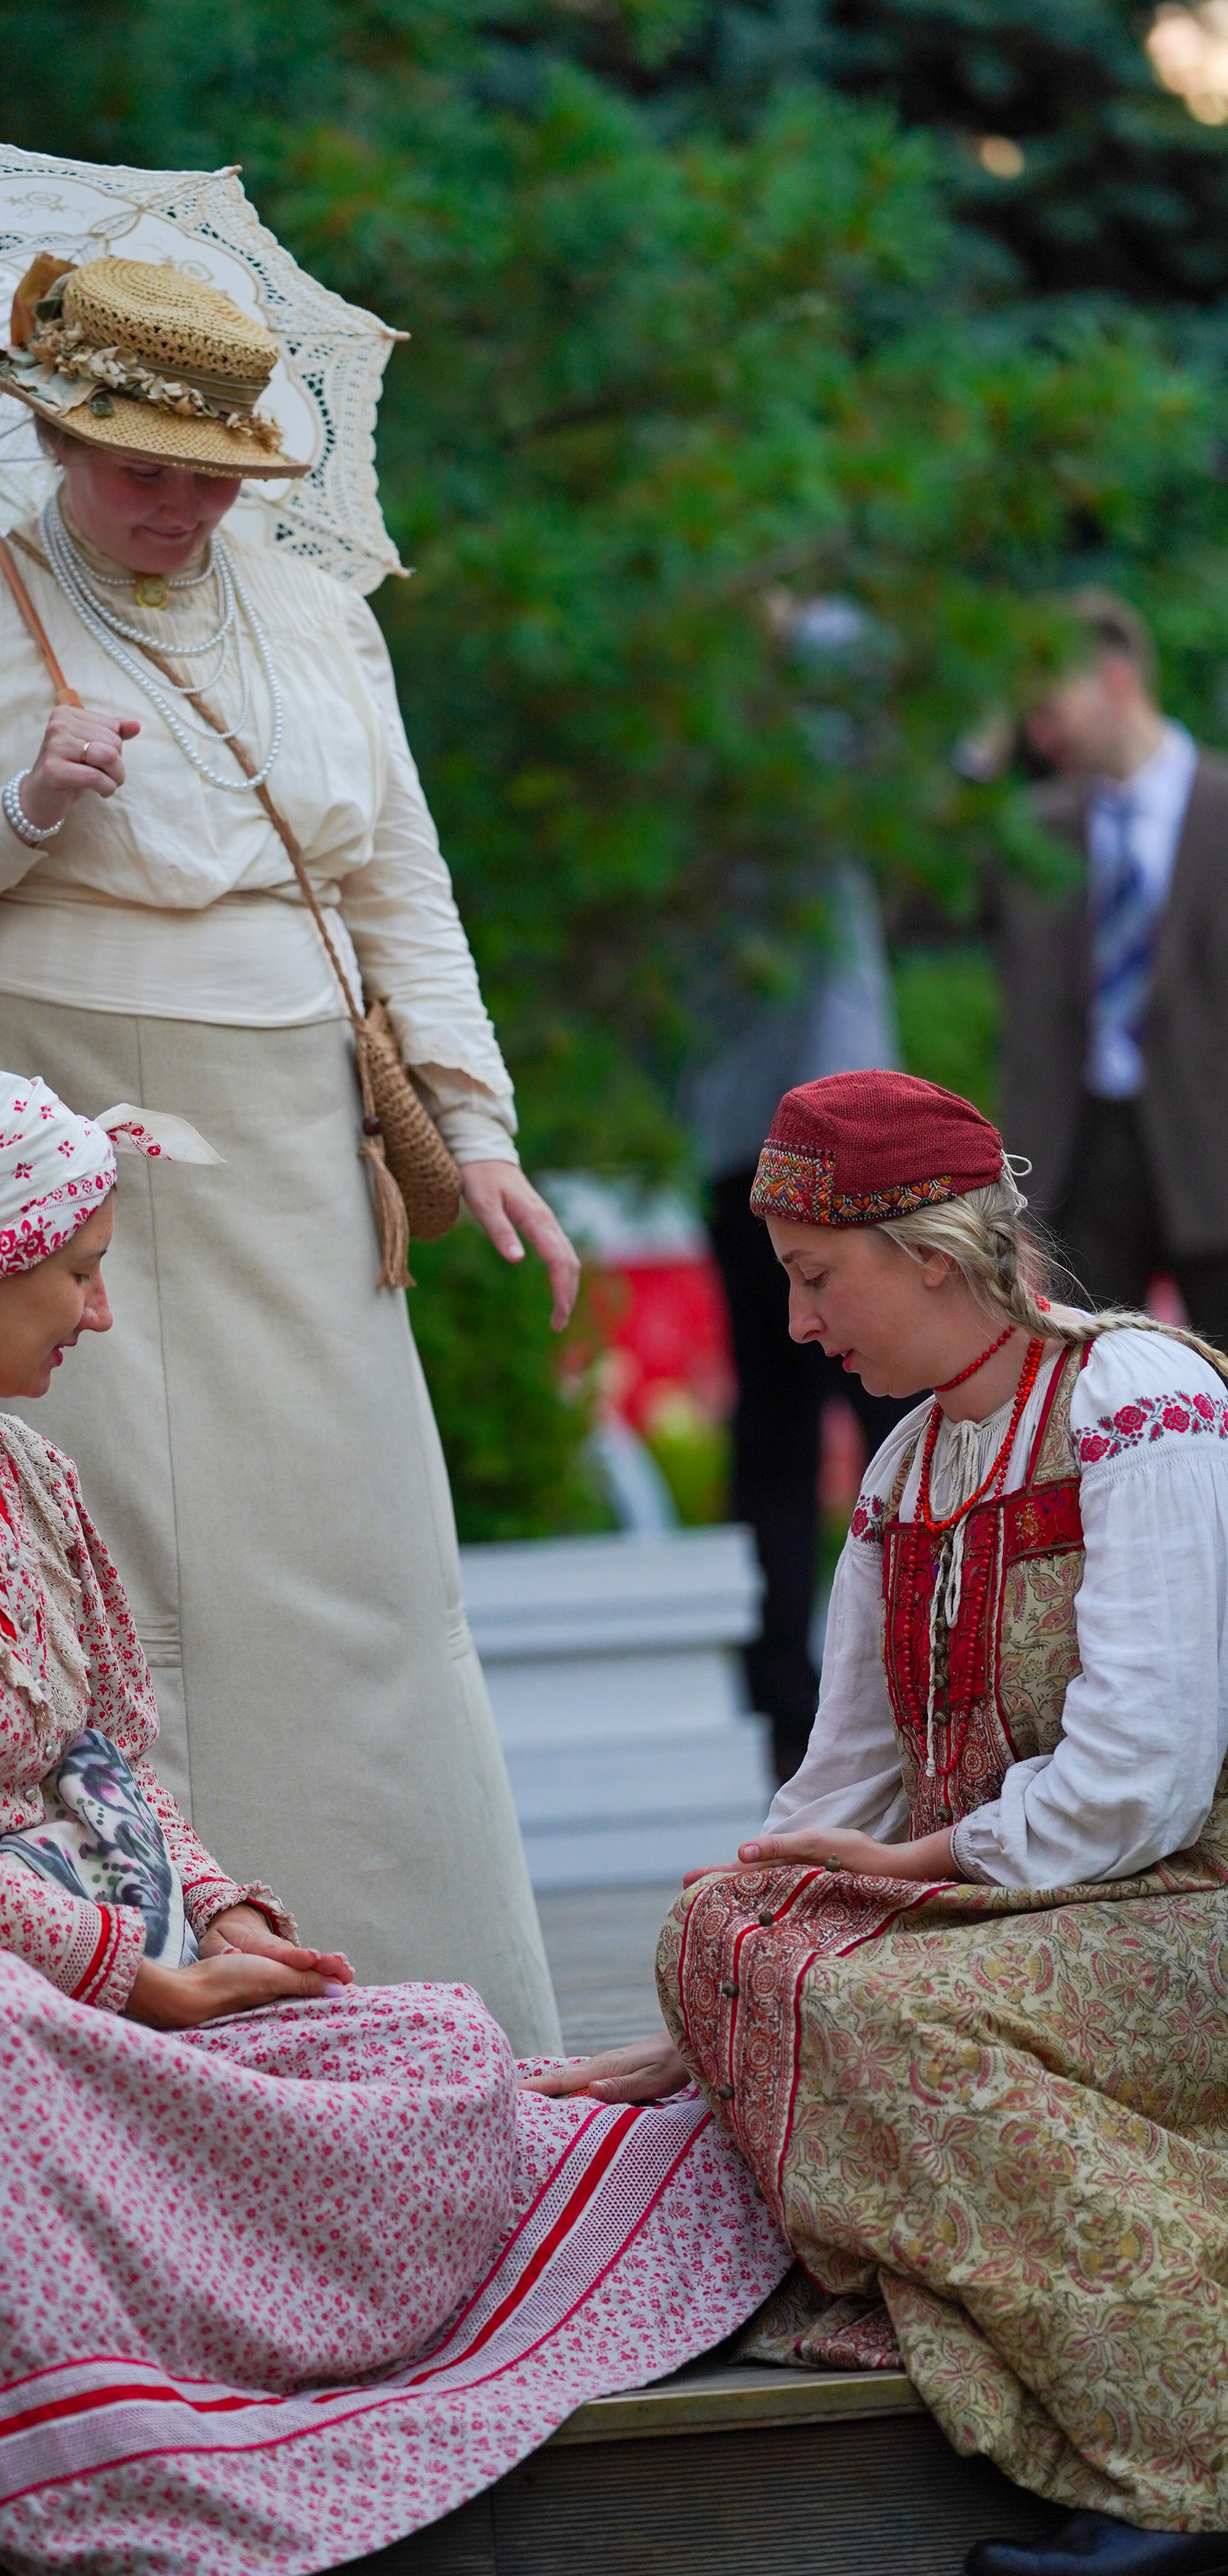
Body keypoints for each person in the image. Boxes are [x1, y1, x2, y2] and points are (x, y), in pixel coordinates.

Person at [0, 1073, 786, 2576]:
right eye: (78, 1274)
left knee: (438, 2040)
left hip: (66, 1978)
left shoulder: (24, 1472)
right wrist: (130, 1976)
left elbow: (104, 1760)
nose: (96, 1315)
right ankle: (94, 2403)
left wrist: (217, 1910)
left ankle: (264, 2335)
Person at [0, 253, 572, 2053]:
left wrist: (473, 1124)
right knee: (103, 1577)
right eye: (138, 467)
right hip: (47, 1132)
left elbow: (398, 882)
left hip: (295, 1128)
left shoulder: (320, 614)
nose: (176, 505)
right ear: (55, 441)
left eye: (211, 472)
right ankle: (139, 2026)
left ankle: (427, 2018)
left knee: (359, 1566)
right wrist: (19, 806)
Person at [533, 1070, 1228, 2575]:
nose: (795, 1325)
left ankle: (1188, 2457)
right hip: (1008, 1916)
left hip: (1183, 1910)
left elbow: (1148, 1773)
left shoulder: (1138, 1399)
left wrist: (916, 1868)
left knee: (873, 2009)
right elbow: (831, 1794)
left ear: (927, 1252)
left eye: (813, 1277)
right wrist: (712, 2001)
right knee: (718, 1926)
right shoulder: (911, 1466)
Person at [687, 863, 911, 1780]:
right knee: (878, 1416)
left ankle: (802, 1697)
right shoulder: (815, 827)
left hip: (746, 1145)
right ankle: (880, 1681)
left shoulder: (707, 838)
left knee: (790, 1430)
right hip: (830, 1149)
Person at [999, 588, 1228, 1346]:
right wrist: (978, 756)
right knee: (1092, 1382)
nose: (1038, 733)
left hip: (1213, 1142)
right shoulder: (1034, 829)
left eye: (1049, 707)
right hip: (1081, 1154)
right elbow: (915, 902)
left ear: (1115, 680)